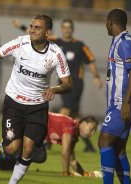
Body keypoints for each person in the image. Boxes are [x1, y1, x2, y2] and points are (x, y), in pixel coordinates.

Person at [0, 14, 72, 184]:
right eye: (31, 26)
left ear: (47, 32)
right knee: (11, 148)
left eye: (37, 27)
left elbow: (68, 84)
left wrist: (55, 89)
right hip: (14, 103)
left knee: (28, 150)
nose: (32, 30)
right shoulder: (19, 43)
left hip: (37, 107)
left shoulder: (56, 53)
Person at [12, 18, 102, 152]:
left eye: (69, 27)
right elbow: (37, 33)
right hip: (62, 84)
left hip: (75, 84)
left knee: (64, 112)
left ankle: (47, 141)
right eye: (64, 27)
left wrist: (96, 76)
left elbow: (91, 61)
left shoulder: (80, 45)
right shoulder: (57, 42)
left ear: (72, 29)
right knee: (75, 116)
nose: (66, 30)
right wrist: (21, 26)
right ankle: (89, 145)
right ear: (62, 29)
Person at [98, 8, 131, 184]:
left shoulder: (125, 42)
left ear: (110, 22)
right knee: (118, 149)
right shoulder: (117, 41)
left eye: (106, 23)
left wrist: (125, 103)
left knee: (104, 140)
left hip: (122, 103)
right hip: (117, 103)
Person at [46, 112, 98, 176]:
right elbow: (65, 153)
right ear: (83, 123)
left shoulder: (74, 134)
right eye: (92, 129)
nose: (92, 133)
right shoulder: (71, 127)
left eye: (94, 131)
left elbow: (72, 160)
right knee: (40, 156)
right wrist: (66, 173)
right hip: (36, 119)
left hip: (37, 128)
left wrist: (84, 173)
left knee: (40, 156)